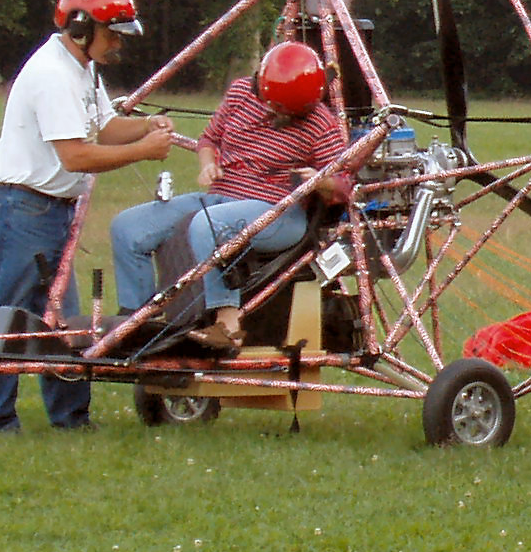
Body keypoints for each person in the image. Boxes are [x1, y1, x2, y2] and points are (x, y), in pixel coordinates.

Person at [0, 0, 174, 432]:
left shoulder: (82, 69)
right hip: (21, 209)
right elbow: (77, 154)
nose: (116, 46)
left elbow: (102, 127)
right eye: (111, 35)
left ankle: (70, 418)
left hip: (52, 210)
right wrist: (143, 152)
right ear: (81, 27)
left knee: (62, 320)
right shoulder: (51, 74)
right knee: (5, 317)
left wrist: (147, 127)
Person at [108, 40, 351, 352]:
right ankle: (137, 321)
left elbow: (345, 185)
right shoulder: (239, 94)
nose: (275, 115)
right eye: (272, 106)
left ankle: (227, 325)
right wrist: (208, 165)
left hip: (278, 212)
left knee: (206, 225)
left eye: (288, 113)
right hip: (222, 197)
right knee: (128, 227)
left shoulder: (320, 122)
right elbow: (209, 138)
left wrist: (321, 183)